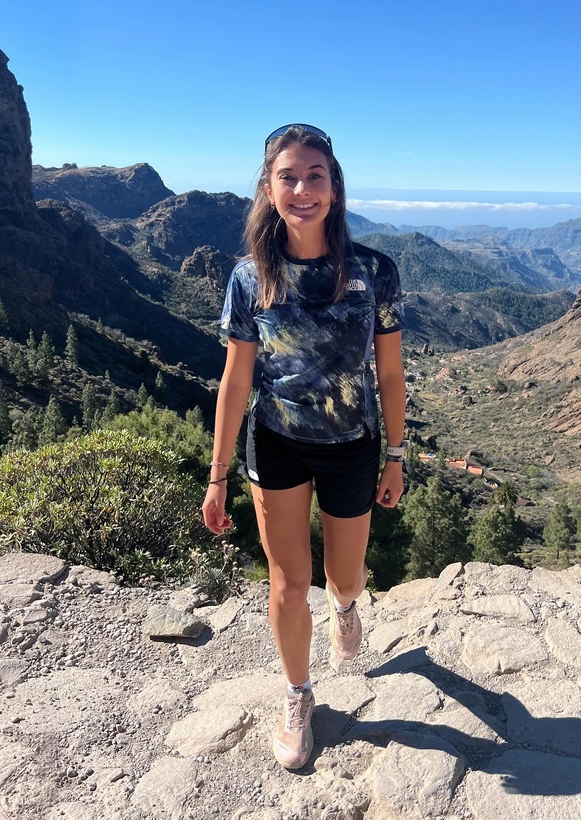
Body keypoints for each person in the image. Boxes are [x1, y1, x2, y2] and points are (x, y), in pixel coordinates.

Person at [202, 124, 406, 771]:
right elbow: (236, 380)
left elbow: (390, 373)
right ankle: (297, 694)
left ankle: (345, 606)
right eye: (287, 176)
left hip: (352, 443)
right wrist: (217, 474)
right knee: (289, 583)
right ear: (269, 189)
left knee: (344, 575)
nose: (302, 188)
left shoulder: (374, 271)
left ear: (334, 188)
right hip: (277, 442)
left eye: (315, 175)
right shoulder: (249, 277)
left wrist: (396, 454)